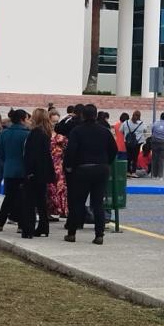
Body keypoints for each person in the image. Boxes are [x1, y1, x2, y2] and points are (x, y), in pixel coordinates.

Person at [63, 104, 117, 245]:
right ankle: (99, 235)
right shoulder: (105, 131)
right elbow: (113, 150)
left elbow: (71, 151)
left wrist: (69, 166)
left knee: (78, 202)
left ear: (82, 115)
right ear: (96, 115)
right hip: (101, 169)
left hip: (82, 169)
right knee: (98, 204)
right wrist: (106, 162)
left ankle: (72, 233)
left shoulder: (77, 131)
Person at [23, 109, 56, 238]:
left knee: (29, 201)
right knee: (41, 201)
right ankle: (43, 226)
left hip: (34, 172)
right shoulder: (45, 133)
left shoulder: (35, 134)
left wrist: (29, 171)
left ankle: (29, 229)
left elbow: (32, 155)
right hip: (43, 171)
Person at [0, 109, 30, 232]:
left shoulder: (4, 133)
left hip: (8, 169)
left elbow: (0, 152)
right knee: (21, 198)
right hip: (22, 170)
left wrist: (6, 163)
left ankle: (0, 223)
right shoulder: (26, 134)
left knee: (8, 197)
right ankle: (21, 225)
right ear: (22, 119)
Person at [47, 109, 68, 219]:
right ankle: (48, 211)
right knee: (50, 189)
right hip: (49, 165)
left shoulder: (60, 137)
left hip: (58, 165)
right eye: (53, 121)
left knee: (59, 189)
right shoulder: (46, 136)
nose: (55, 124)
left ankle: (57, 210)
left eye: (57, 121)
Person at [122, 110, 145, 175]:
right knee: (135, 157)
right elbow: (145, 130)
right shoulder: (141, 124)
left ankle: (128, 171)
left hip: (128, 142)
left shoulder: (126, 122)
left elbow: (121, 130)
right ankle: (134, 172)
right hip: (137, 143)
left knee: (128, 157)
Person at [150, 112, 164, 179]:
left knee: (154, 158)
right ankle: (160, 176)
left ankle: (154, 175)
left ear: (160, 117)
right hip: (163, 143)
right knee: (161, 159)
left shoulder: (155, 124)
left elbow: (152, 131)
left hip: (155, 141)